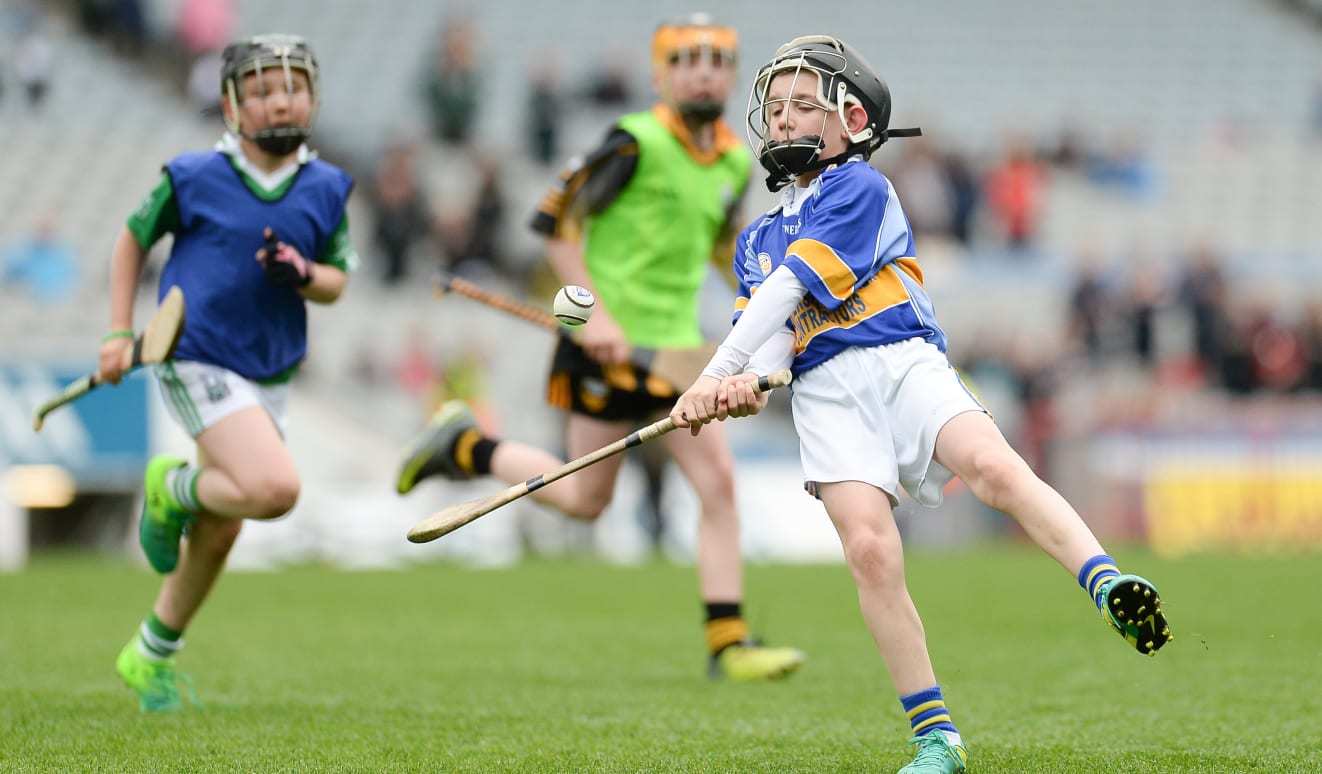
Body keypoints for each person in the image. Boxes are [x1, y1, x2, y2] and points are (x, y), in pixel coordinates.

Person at [668, 36, 1173, 774]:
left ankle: (1107, 581)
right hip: (824, 398)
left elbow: (786, 293)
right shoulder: (754, 240)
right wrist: (740, 387)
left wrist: (713, 371)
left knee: (993, 469)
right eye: (775, 109)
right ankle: (937, 739)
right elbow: (774, 341)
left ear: (853, 121)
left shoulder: (859, 188)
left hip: (903, 364)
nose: (782, 120)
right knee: (871, 552)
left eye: (803, 106)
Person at [396, 13, 804, 682]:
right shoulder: (631, 142)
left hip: (679, 356)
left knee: (717, 483)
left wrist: (775, 302)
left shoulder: (735, 159)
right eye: (686, 59)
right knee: (587, 499)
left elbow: (722, 248)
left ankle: (728, 644)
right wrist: (595, 319)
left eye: (716, 60)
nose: (702, 71)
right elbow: (555, 228)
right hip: (604, 341)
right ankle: (464, 445)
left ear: (733, 75)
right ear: (660, 74)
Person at [97, 34, 357, 712]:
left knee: (225, 523)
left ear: (313, 97)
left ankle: (150, 654)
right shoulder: (192, 175)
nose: (281, 103)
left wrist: (304, 274)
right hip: (195, 352)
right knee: (273, 489)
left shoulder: (328, 187)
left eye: (293, 88)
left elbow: (337, 281)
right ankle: (173, 487)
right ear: (232, 106)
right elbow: (131, 241)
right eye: (264, 92)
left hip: (268, 371)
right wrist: (119, 331)